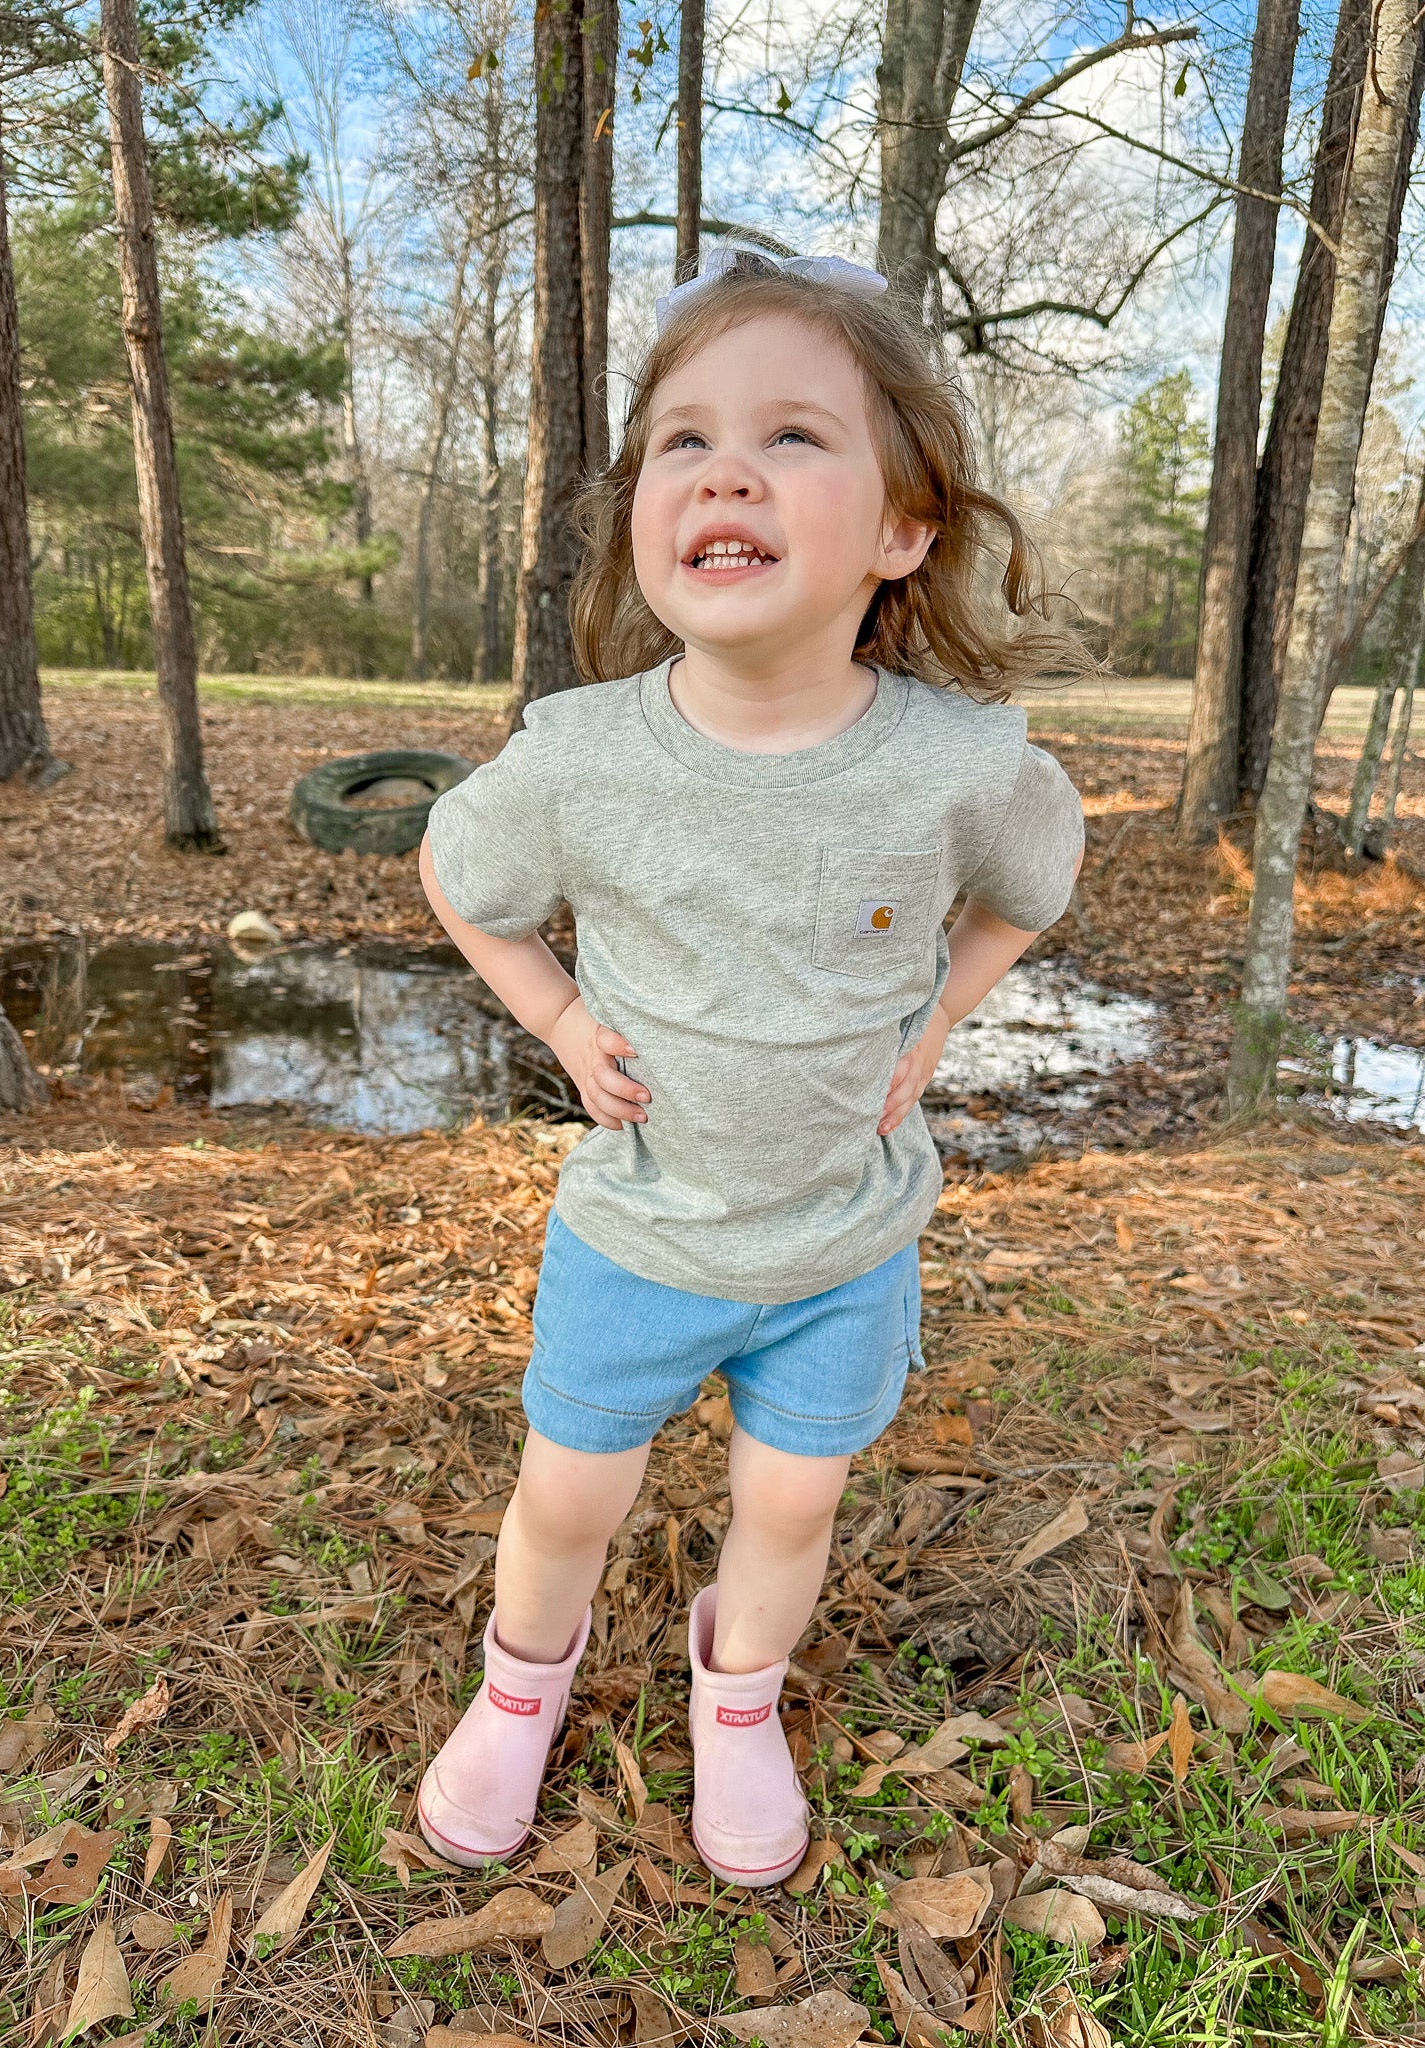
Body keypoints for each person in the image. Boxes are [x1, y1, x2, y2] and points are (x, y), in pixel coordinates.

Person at [415, 244, 1088, 1886]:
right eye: (684, 442)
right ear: (648, 511)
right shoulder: (579, 756)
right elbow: (460, 874)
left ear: (904, 528)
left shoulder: (954, 763)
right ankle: (522, 1689)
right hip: (639, 1236)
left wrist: (933, 1023)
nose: (726, 468)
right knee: (569, 1499)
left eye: (795, 437)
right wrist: (564, 1022)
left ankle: (740, 1704)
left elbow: (1032, 886)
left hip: (840, 1245)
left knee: (789, 1510)